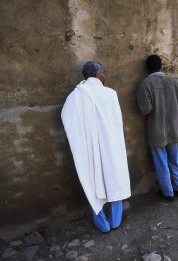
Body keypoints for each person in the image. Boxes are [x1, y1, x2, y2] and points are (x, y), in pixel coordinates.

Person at [61, 61, 131, 232]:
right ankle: (115, 221)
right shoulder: (111, 94)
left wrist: (85, 138)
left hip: (89, 149)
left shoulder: (75, 96)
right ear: (99, 75)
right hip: (112, 146)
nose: (105, 76)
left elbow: (66, 117)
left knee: (92, 180)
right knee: (116, 179)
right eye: (104, 72)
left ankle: (103, 224)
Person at [137, 55, 178, 201]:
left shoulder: (145, 83)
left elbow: (145, 109)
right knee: (174, 160)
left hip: (156, 129)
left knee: (161, 162)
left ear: (147, 68)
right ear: (161, 66)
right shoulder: (173, 80)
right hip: (173, 128)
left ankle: (168, 193)